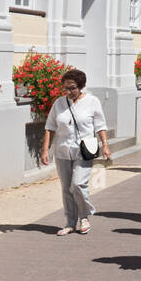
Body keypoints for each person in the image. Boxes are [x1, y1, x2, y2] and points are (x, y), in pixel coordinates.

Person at [41, 69, 109, 235]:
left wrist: (105, 145)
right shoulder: (59, 103)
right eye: (65, 88)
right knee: (66, 188)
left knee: (78, 184)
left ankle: (84, 216)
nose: (68, 92)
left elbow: (100, 125)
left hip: (84, 150)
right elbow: (50, 127)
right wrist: (45, 150)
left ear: (81, 86)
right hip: (62, 149)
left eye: (72, 88)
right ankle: (70, 222)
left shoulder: (92, 101)